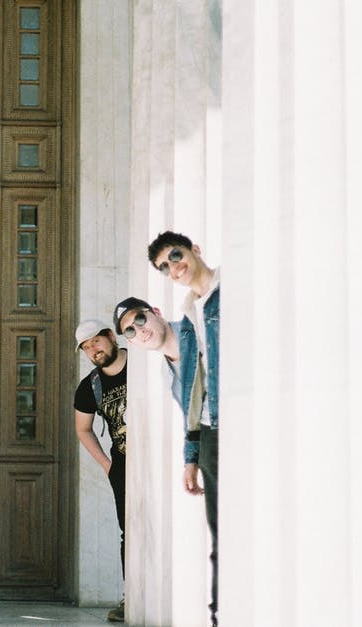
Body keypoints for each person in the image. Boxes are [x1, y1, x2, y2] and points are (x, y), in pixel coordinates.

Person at [147, 229, 221, 627]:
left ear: (194, 249)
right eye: (165, 267)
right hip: (211, 433)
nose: (174, 268)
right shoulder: (190, 315)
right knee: (220, 540)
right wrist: (190, 456)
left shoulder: (233, 288)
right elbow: (195, 391)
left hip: (244, 424)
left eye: (176, 257)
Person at [72, 318, 130, 622]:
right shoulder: (90, 386)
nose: (93, 349)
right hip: (123, 465)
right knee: (130, 532)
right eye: (86, 347)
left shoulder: (141, 364)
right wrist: (108, 466)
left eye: (96, 341)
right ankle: (132, 597)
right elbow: (83, 429)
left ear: (110, 336)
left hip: (160, 460)